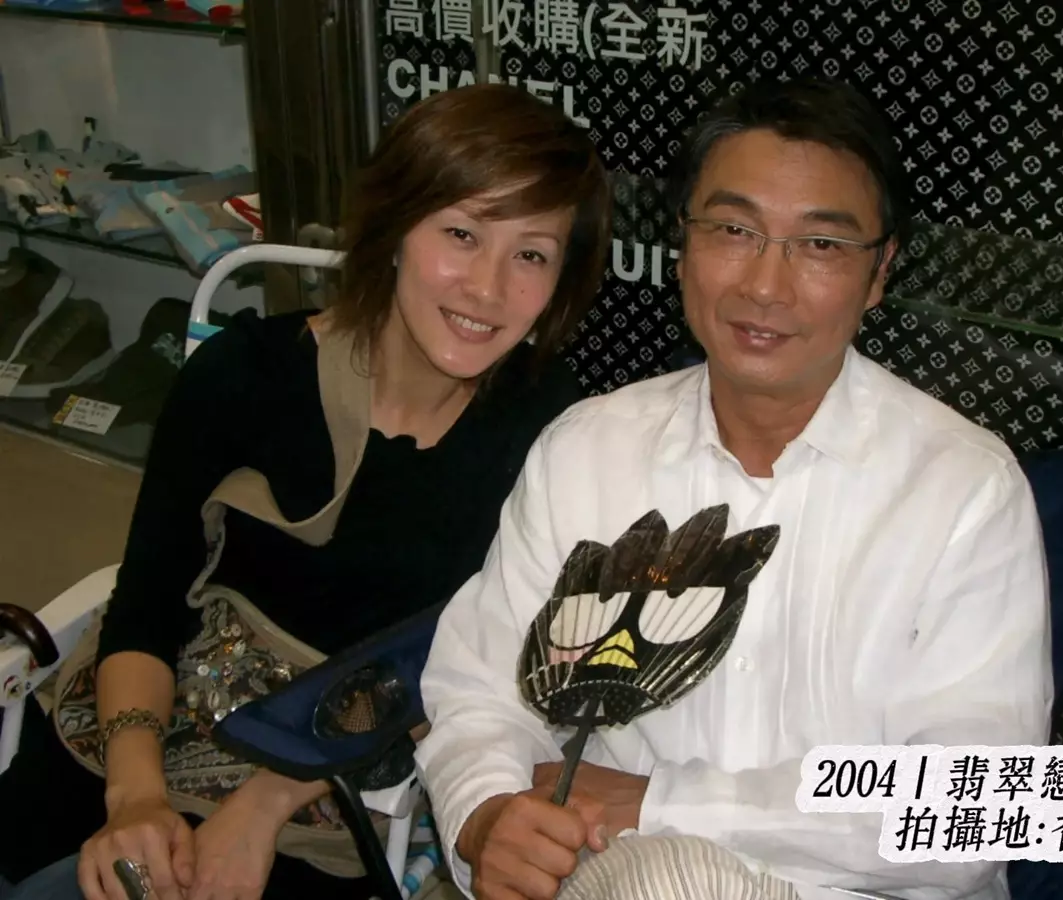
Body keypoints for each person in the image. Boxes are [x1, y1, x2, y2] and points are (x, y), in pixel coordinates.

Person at [413, 77, 1053, 900]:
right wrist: (488, 814)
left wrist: (663, 804)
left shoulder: (964, 490)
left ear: (880, 272)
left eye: (820, 245)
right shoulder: (587, 451)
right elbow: (482, 690)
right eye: (734, 230)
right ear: (682, 245)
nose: (765, 287)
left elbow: (975, 806)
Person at [0, 83, 610, 900]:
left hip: (324, 792)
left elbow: (475, 662)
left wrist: (264, 803)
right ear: (394, 228)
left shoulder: (550, 433)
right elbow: (146, 604)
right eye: (461, 234)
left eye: (531, 254)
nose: (488, 288)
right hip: (129, 744)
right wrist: (136, 798)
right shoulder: (244, 377)